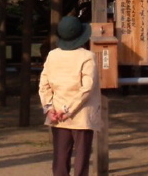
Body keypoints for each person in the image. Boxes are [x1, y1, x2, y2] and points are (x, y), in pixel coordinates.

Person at [39, 16, 101, 176]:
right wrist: (68, 110)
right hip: (81, 114)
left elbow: (43, 85)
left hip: (57, 113)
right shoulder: (87, 56)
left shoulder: (53, 55)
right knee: (81, 158)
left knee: (60, 158)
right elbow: (86, 88)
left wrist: (49, 107)